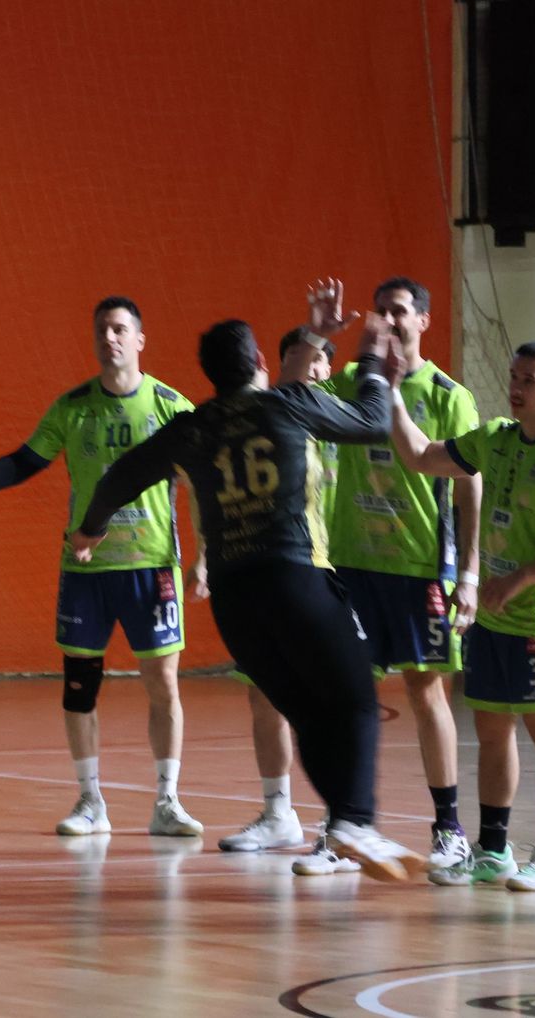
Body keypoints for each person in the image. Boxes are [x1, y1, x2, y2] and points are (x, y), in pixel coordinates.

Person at [69, 310, 426, 881]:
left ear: (209, 374)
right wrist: (373, 369)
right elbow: (373, 421)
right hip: (294, 579)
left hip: (235, 601)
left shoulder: (193, 426)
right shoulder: (285, 405)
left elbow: (118, 476)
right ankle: (354, 819)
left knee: (310, 713)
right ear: (260, 364)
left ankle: (339, 824)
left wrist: (91, 527)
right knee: (357, 699)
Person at [0, 297, 202, 838]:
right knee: (80, 687)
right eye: (103, 329)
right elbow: (23, 462)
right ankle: (90, 801)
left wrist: (204, 559)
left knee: (163, 684)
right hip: (85, 570)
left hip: (152, 567)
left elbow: (200, 487)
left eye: (121, 329)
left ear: (140, 340)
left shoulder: (173, 407)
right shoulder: (73, 407)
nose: (111, 338)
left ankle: (167, 801)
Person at [387, 339, 535, 891]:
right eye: (513, 376)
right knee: (490, 728)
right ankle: (492, 849)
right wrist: (388, 392)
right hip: (494, 617)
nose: (515, 387)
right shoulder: (495, 439)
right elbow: (419, 457)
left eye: (528, 379)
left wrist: (522, 577)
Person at [293, 277, 482, 873]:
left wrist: (470, 571)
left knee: (427, 695)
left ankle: (449, 828)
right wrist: (316, 331)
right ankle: (345, 830)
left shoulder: (450, 395)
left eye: (401, 312)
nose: (390, 321)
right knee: (344, 696)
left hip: (419, 566)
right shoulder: (353, 381)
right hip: (352, 563)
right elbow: (294, 390)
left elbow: (470, 483)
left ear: (423, 321)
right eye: (382, 312)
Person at [216, 325, 336, 856]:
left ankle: (340, 820)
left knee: (334, 699)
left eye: (314, 358)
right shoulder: (268, 416)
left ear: (328, 368)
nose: (305, 366)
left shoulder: (343, 414)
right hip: (278, 571)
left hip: (339, 569)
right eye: (294, 357)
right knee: (262, 693)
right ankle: (278, 811)